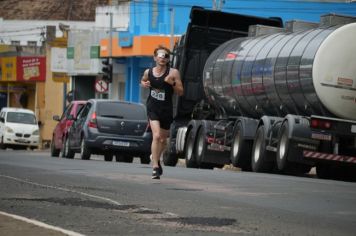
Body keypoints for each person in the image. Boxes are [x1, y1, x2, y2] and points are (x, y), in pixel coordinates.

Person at [140, 45, 184, 179]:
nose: (162, 58)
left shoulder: (173, 73)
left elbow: (181, 92)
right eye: (160, 55)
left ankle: (156, 158)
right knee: (157, 136)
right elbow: (143, 80)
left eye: (165, 56)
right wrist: (144, 83)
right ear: (155, 58)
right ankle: (154, 167)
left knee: (164, 140)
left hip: (166, 109)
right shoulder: (149, 72)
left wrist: (172, 83)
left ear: (168, 59)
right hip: (153, 107)